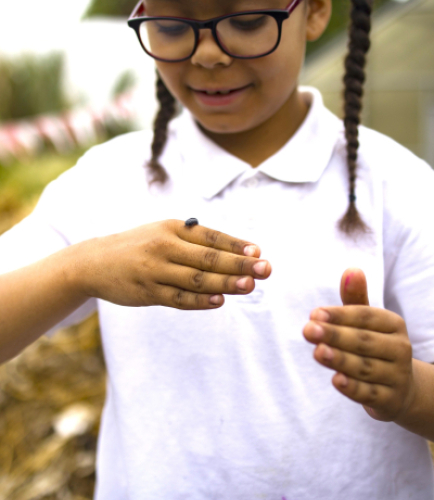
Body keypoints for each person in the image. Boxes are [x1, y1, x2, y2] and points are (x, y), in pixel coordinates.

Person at [1, 0, 434, 498]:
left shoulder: (397, 185)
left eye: (246, 23)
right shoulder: (108, 182)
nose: (207, 54)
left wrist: (408, 391)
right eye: (169, 25)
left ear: (315, 12)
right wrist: (79, 269)